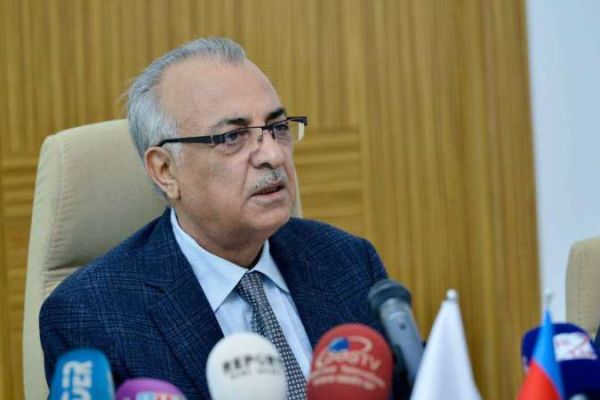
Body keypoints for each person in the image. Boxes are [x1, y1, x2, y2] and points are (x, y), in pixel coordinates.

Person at [40, 37, 393, 399]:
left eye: (278, 127)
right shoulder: (93, 315)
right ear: (165, 170)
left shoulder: (348, 262)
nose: (272, 154)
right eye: (232, 136)